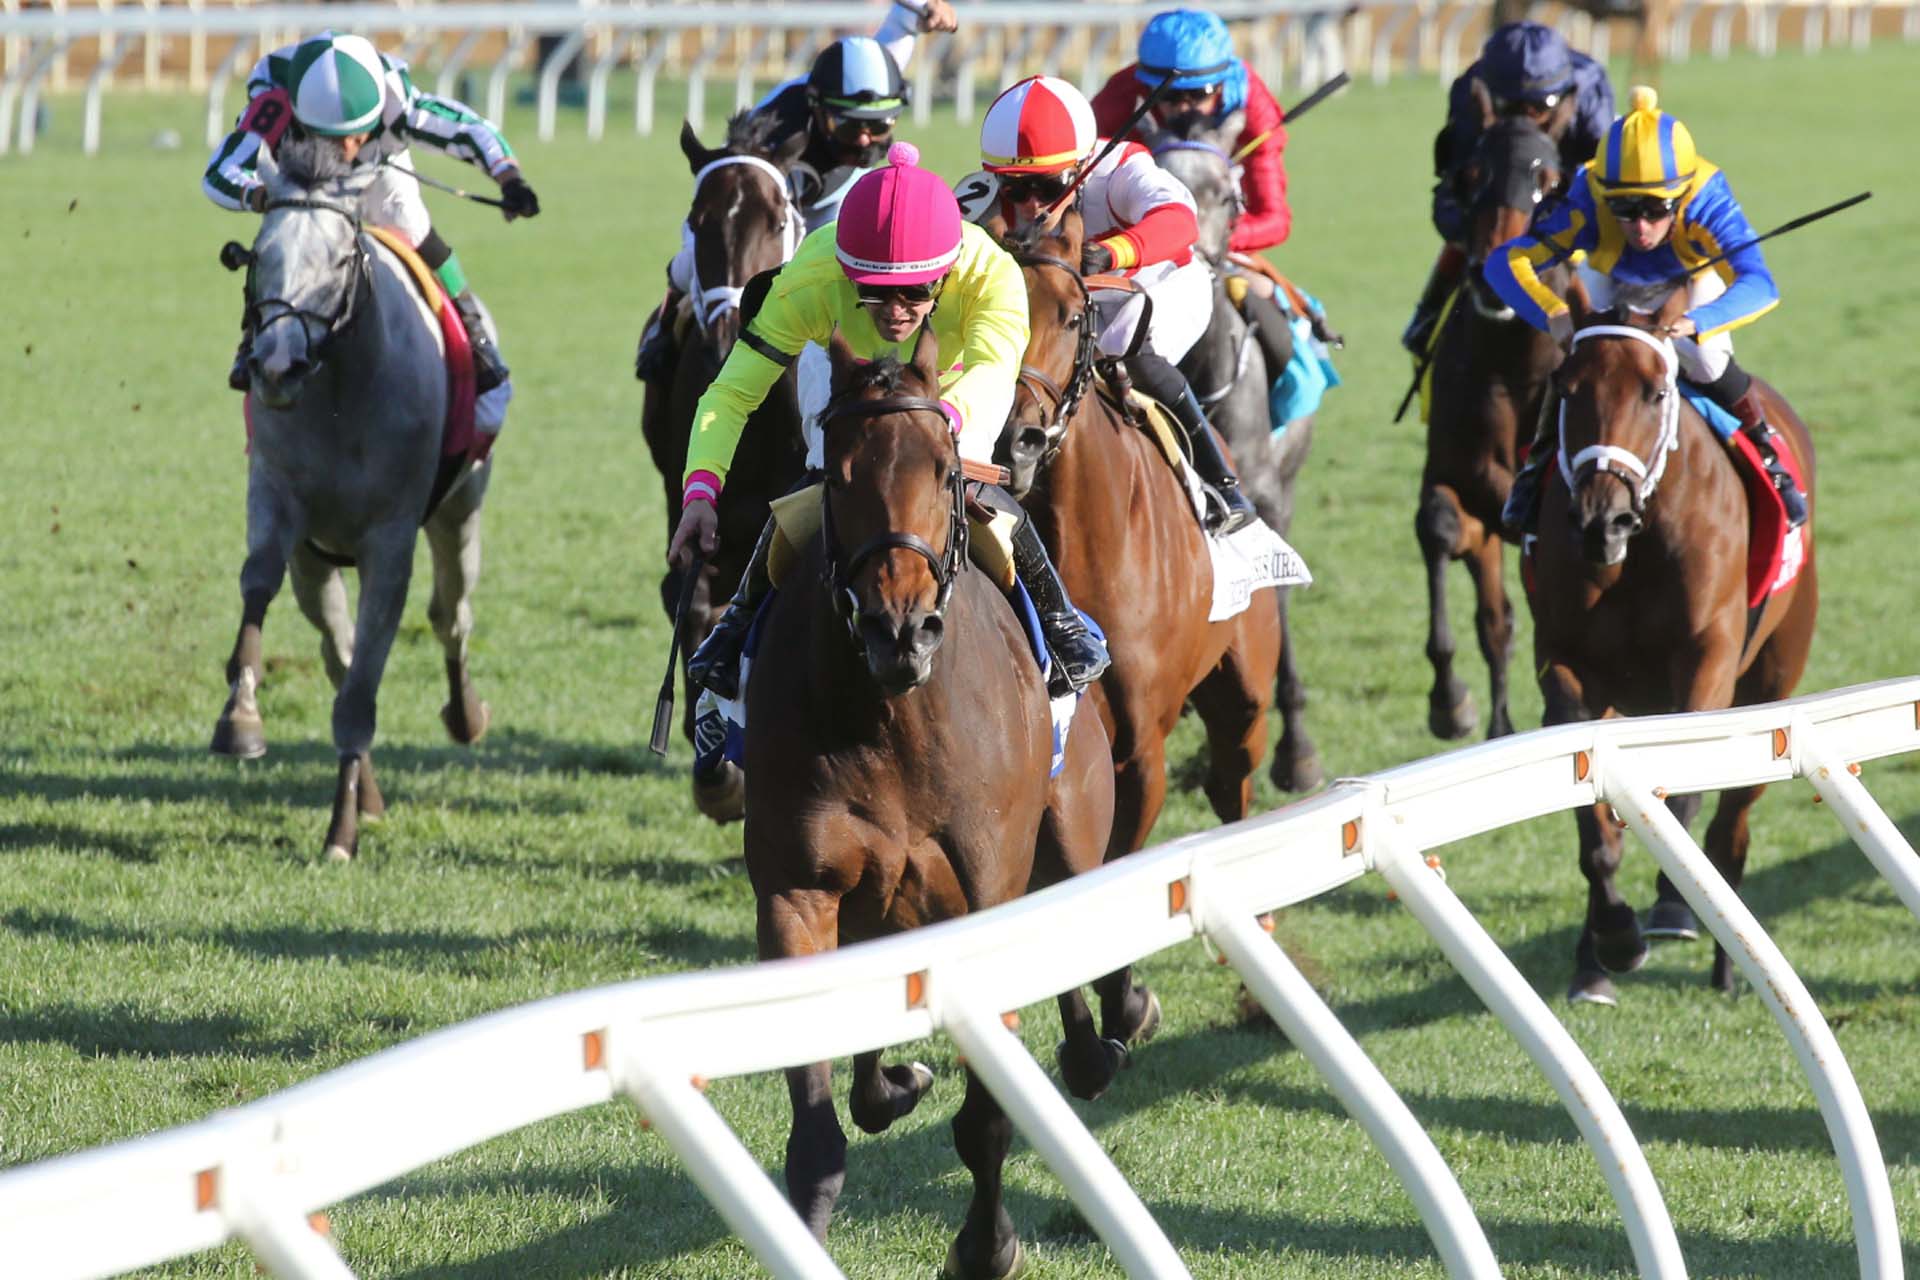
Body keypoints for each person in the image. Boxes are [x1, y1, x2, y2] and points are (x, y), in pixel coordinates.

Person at [666, 145, 1111, 702]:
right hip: (839, 369)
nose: (897, 309)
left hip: (949, 384)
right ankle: (737, 626)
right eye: (874, 292)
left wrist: (934, 429)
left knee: (960, 482)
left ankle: (1057, 616)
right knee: (825, 479)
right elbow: (729, 394)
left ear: (946, 273)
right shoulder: (812, 273)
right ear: (847, 271)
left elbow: (994, 374)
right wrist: (700, 491)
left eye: (917, 292)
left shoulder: (990, 274)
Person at [1486, 85, 1808, 535]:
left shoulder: (1708, 201)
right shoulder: (1586, 196)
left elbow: (1760, 284)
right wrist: (1551, 312)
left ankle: (1767, 455)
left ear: (1681, 194)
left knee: (1708, 360)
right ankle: (1537, 467)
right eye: (1624, 208)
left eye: (1656, 209)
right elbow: (1505, 262)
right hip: (1613, 278)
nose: (1640, 226)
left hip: (1689, 278)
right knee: (1581, 366)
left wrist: (1700, 321)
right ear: (1604, 192)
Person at [973, 74, 1257, 534]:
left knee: (1125, 346)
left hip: (1157, 284)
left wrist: (1114, 252)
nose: (1028, 203)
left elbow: (1180, 222)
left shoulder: (1122, 168)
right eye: (1014, 187)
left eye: (1046, 186)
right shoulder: (987, 192)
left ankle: (1221, 483)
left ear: (1083, 164)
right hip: (1065, 301)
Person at [635, 0, 958, 383]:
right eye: (849, 127)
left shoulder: (870, 81)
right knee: (698, 261)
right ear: (819, 111)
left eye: (879, 124)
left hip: (833, 199)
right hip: (756, 200)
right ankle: (665, 326)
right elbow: (733, 209)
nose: (866, 137)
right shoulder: (776, 132)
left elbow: (899, 25)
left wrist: (925, 9)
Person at [204, 31, 537, 393]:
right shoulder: (276, 100)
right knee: (281, 240)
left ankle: (473, 332)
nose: (347, 148)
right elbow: (221, 171)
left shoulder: (398, 103)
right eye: (336, 137)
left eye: (356, 136)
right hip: (302, 172)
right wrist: (261, 197)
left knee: (412, 227)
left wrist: (509, 178)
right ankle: (251, 336)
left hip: (378, 168)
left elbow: (469, 129)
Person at [1089, 9, 1298, 405]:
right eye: (1168, 97)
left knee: (1277, 318)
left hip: (1218, 248)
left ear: (1222, 86)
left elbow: (1275, 218)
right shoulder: (1116, 106)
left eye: (1199, 96)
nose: (1184, 109)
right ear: (1145, 87)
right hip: (1133, 247)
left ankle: (1283, 419)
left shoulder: (1254, 108)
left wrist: (1209, 237)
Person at [1402, 20, 1614, 355]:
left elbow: (1604, 192)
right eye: (1508, 108)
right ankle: (1429, 311)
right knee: (1478, 222)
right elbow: (1448, 193)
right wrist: (1469, 231)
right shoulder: (1470, 91)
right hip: (1495, 196)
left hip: (1568, 187)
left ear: (1563, 99)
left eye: (1538, 109)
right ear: (1487, 96)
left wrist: (1556, 225)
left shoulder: (1590, 96)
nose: (1523, 121)